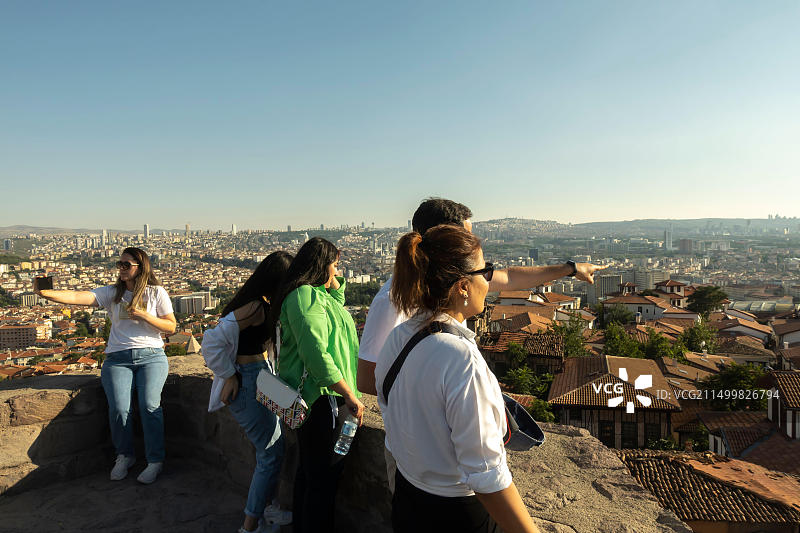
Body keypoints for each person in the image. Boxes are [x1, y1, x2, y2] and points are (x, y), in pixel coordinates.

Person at [358, 198, 606, 492]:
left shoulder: (447, 291)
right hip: (418, 458)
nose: (473, 242)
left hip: (448, 454)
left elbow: (510, 277)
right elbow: (367, 378)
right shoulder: (391, 301)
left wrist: (570, 268)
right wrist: (442, 399)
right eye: (467, 236)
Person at [376, 225, 541, 533]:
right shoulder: (460, 358)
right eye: (486, 271)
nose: (489, 281)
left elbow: (389, 410)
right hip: (455, 515)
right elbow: (486, 475)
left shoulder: (398, 337)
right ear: (463, 286)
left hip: (408, 498)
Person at [35, 247, 175, 484]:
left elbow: (171, 327)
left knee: (150, 406)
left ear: (141, 267)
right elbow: (81, 297)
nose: (120, 268)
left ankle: (155, 461)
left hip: (152, 356)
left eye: (126, 265)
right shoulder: (113, 293)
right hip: (117, 359)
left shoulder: (156, 293)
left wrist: (144, 315)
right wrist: (48, 294)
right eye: (119, 264)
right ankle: (125, 456)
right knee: (119, 409)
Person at [266, 237, 364, 533]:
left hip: (329, 400)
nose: (337, 270)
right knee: (325, 478)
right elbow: (315, 350)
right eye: (334, 265)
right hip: (325, 402)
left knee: (312, 474)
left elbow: (337, 302)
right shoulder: (304, 296)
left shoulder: (315, 296)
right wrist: (348, 393)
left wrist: (333, 279)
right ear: (320, 265)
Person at [201, 251, 294, 533]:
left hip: (263, 376)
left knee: (277, 446)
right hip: (249, 380)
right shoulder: (254, 306)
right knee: (270, 453)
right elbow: (211, 342)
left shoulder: (261, 302)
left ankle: (267, 508)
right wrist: (228, 375)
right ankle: (250, 525)